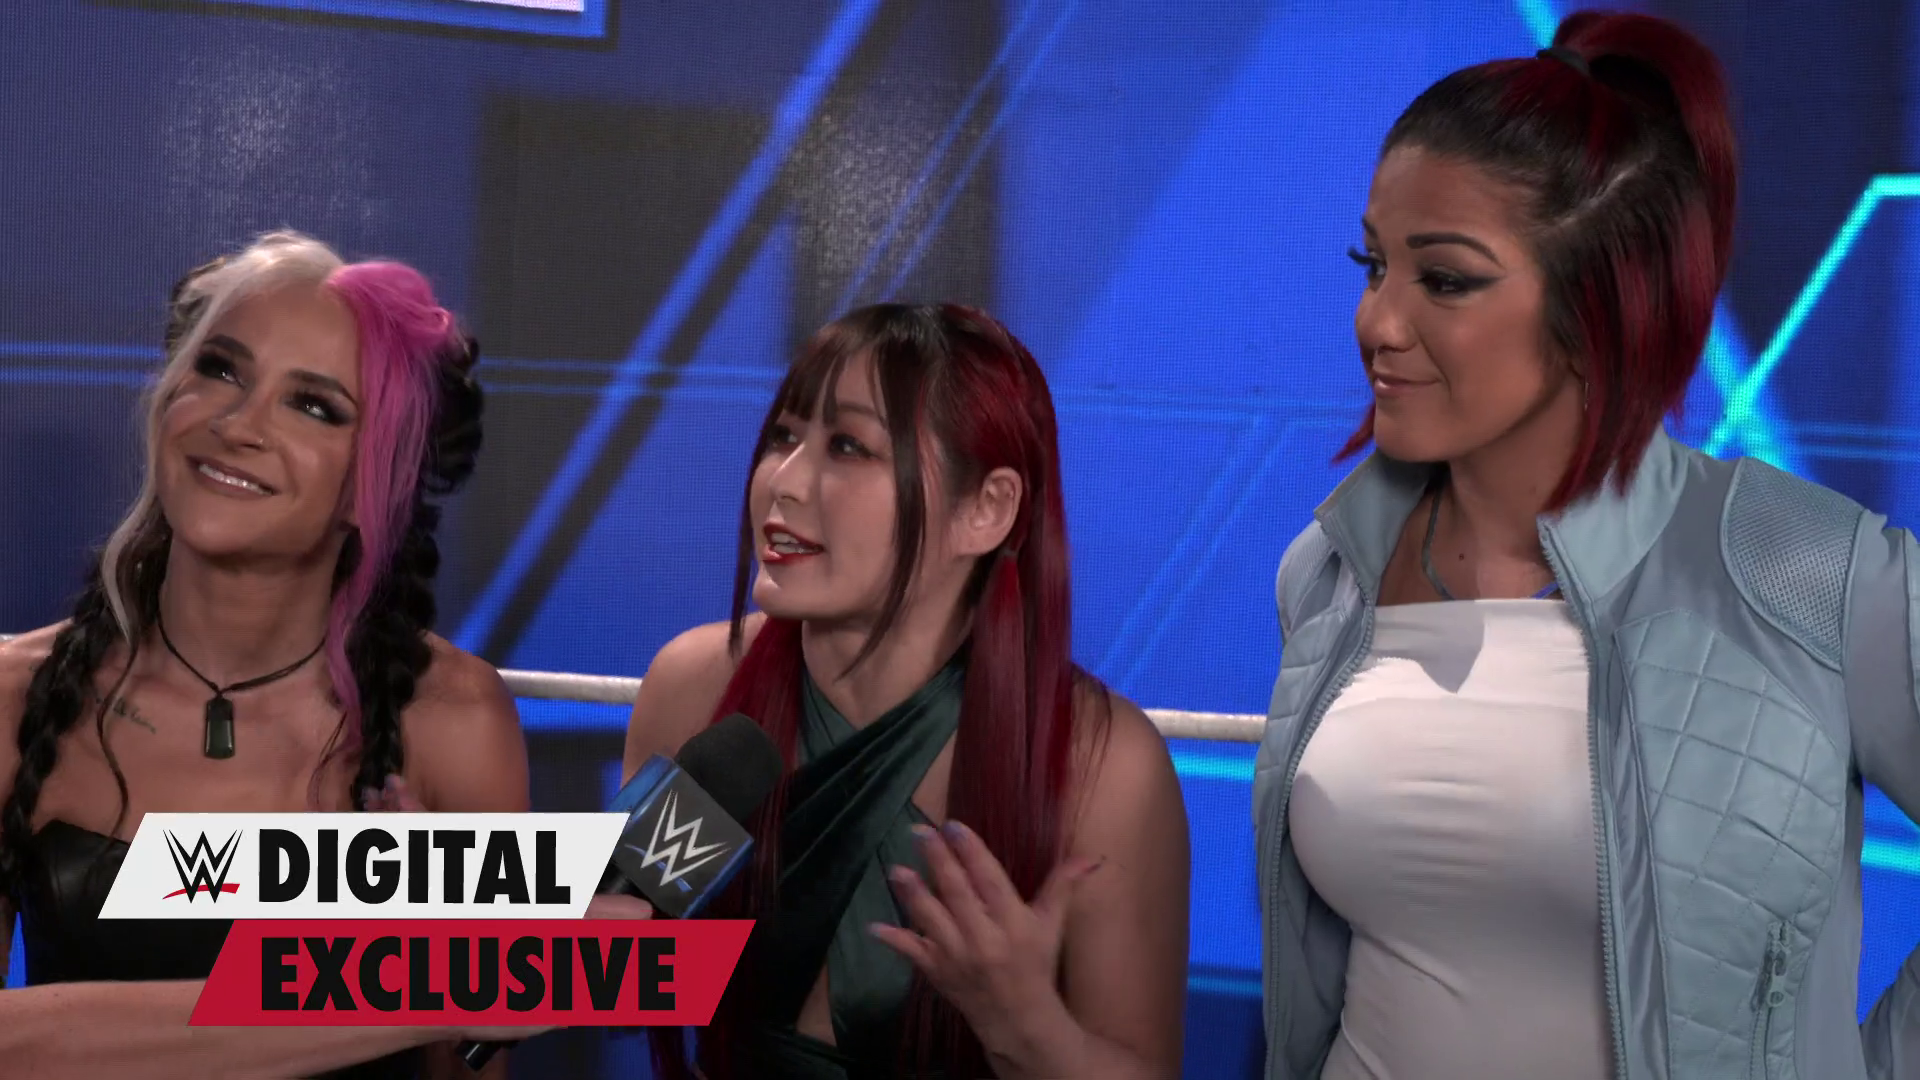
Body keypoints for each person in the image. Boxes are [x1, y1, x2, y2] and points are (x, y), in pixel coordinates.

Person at [1255, 11, 1920, 1080]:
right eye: (1373, 265)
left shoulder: (1813, 575)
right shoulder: (1328, 570)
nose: (1377, 321)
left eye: (1445, 279)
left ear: (1597, 301)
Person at [0, 231, 557, 1078]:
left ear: (380, 479)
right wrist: (413, 983)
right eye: (221, 369)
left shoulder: (453, 723)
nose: (237, 425)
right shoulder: (17, 698)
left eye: (314, 406)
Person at [624, 303, 1190, 1079]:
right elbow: (615, 953)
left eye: (847, 446)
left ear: (986, 509)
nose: (781, 483)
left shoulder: (1100, 766)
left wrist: (1035, 1036)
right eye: (784, 437)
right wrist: (464, 930)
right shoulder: (699, 690)